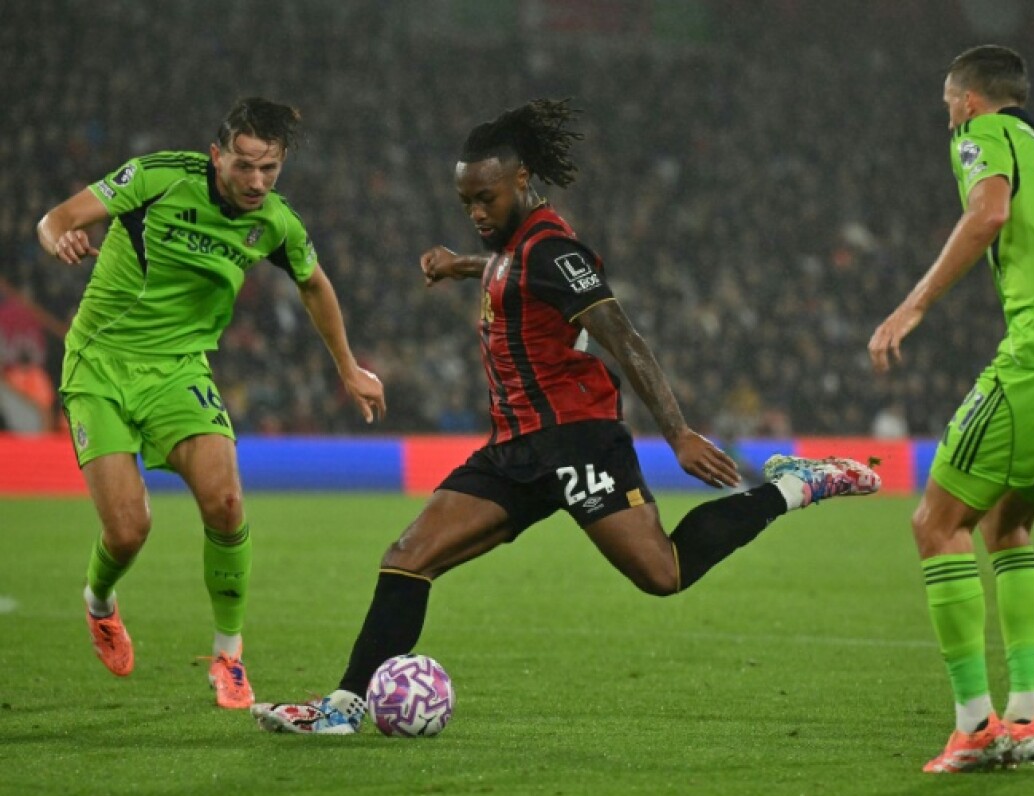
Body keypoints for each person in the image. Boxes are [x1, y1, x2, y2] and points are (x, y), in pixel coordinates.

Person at [252, 99, 881, 735]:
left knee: (662, 573)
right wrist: (459, 264)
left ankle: (797, 485)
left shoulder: (554, 248)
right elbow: (508, 269)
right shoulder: (512, 245)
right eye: (466, 200)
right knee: (408, 556)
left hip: (579, 441)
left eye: (487, 199)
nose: (475, 213)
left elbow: (624, 336)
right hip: (515, 448)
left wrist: (679, 433)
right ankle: (345, 707)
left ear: (521, 180)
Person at [36, 97, 386, 709]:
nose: (256, 182)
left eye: (269, 169)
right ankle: (99, 602)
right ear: (217, 155)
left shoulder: (275, 222)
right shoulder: (155, 178)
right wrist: (60, 240)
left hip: (179, 373)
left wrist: (348, 367)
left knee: (226, 502)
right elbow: (54, 219)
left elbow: (314, 283)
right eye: (244, 166)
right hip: (99, 365)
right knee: (128, 530)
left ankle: (229, 654)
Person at [868, 46, 1034, 772]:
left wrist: (912, 305)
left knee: (935, 523)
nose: (947, 115)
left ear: (968, 101)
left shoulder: (983, 137)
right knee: (1008, 521)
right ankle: (1026, 714)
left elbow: (988, 212)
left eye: (946, 102)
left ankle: (975, 724)